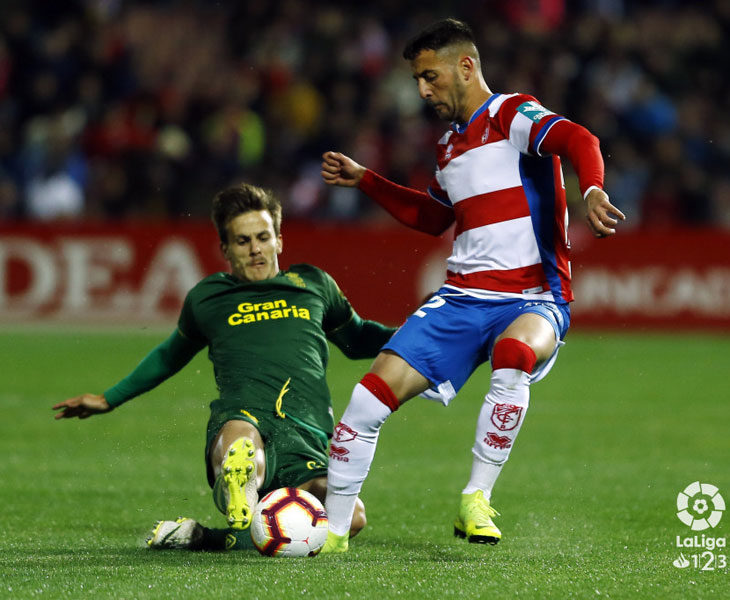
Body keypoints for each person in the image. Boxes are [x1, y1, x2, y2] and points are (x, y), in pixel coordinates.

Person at [319, 18, 625, 553]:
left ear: (466, 66)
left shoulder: (511, 115)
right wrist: (366, 179)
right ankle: (334, 534)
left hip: (534, 298)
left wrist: (592, 188)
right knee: (366, 402)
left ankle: (475, 499)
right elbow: (434, 217)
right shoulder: (447, 147)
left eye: (430, 76)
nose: (422, 90)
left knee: (513, 355)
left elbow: (580, 139)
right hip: (460, 299)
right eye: (417, 79)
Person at [53, 182, 396, 550]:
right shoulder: (209, 297)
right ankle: (242, 486)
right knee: (243, 450)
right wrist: (110, 398)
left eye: (262, 237)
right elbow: (170, 355)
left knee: (353, 517)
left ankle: (209, 538)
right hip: (243, 418)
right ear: (225, 249)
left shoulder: (313, 284)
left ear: (279, 240)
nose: (255, 250)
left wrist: (422, 335)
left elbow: (357, 338)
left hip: (307, 439)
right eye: (243, 241)